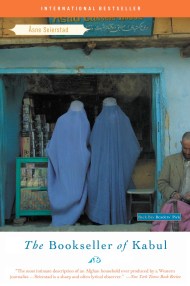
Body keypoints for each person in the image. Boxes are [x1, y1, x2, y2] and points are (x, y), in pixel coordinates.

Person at [85, 97, 141, 225]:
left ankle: (103, 217)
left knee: (103, 188)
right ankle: (119, 217)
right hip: (120, 167)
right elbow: (133, 147)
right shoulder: (124, 120)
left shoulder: (99, 121)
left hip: (103, 167)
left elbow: (93, 144)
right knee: (119, 189)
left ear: (103, 106)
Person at [46, 100, 90, 226]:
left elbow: (54, 144)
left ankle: (62, 215)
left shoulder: (61, 120)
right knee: (78, 187)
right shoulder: (84, 121)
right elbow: (86, 143)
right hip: (80, 163)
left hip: (64, 162)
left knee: (64, 186)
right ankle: (75, 215)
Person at [158, 132, 190, 203]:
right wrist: (173, 193)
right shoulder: (170, 161)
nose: (188, 152)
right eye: (185, 148)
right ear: (181, 143)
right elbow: (162, 183)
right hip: (175, 206)